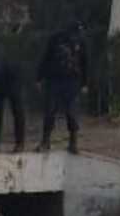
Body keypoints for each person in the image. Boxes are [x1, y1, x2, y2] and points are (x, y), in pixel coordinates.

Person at [36, 20, 89, 154]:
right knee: (50, 111)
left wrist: (85, 83)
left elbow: (85, 62)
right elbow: (46, 58)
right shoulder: (55, 39)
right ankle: (45, 141)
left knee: (72, 112)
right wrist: (39, 77)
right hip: (54, 79)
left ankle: (73, 142)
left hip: (72, 81)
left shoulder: (81, 42)